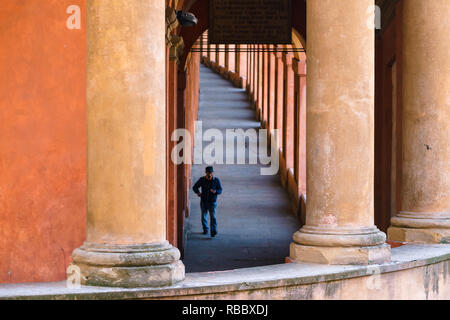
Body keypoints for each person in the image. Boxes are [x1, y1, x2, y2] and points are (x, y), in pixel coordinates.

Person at [192, 166, 223, 237]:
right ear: (206, 173)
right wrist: (198, 193)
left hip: (212, 202)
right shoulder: (202, 180)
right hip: (204, 201)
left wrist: (215, 191)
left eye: (211, 173)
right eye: (208, 173)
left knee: (213, 217)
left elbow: (220, 190)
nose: (210, 174)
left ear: (213, 173)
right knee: (203, 216)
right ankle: (205, 229)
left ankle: (213, 231)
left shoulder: (216, 180)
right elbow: (195, 187)